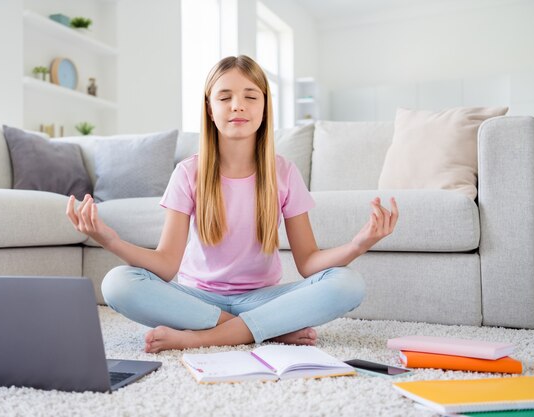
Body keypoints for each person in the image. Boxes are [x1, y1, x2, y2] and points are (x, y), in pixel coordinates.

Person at [66, 55, 398, 354]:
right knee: (118, 284)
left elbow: (309, 262)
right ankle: (266, 328)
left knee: (348, 283)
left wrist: (359, 243)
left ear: (264, 107)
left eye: (250, 96)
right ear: (210, 109)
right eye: (225, 97)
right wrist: (109, 239)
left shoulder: (284, 172)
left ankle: (204, 337)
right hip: (198, 299)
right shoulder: (188, 173)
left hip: (263, 297)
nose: (237, 105)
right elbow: (166, 265)